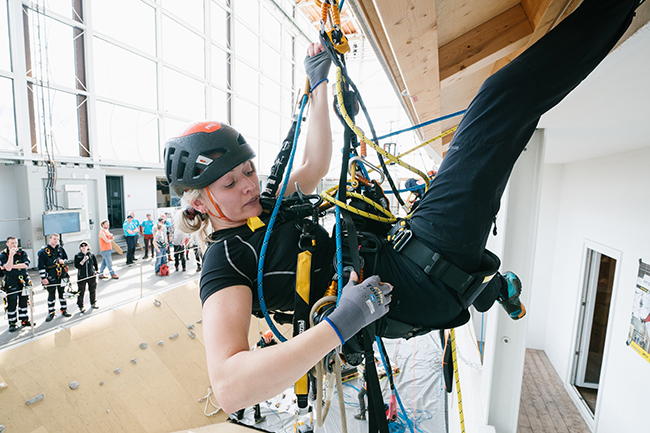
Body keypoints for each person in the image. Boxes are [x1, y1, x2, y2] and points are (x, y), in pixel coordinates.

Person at [164, 0, 641, 413]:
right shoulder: (224, 262)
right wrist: (340, 323)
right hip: (410, 284)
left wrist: (318, 85)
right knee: (501, 100)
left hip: (404, 257)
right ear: (200, 203)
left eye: (248, 170)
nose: (248, 184)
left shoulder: (265, 207)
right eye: (231, 183)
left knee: (508, 115)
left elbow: (313, 163)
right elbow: (228, 386)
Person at [0, 237, 34, 331]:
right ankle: (12, 323)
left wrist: (10, 266)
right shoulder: (3, 254)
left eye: (15, 243)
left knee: (24, 301)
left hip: (23, 280)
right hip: (10, 282)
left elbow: (25, 265)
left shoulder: (22, 253)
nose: (14, 245)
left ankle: (24, 320)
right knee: (12, 302)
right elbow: (8, 269)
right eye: (12, 243)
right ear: (7, 244)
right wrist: (10, 256)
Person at [38, 233, 72, 321]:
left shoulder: (61, 249)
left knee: (62, 293)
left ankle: (64, 309)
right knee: (51, 295)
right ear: (50, 239)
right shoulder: (43, 252)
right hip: (50, 276)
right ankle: (51, 312)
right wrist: (43, 278)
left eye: (57, 239)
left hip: (61, 276)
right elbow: (41, 266)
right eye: (54, 239)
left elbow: (66, 259)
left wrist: (63, 261)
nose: (56, 240)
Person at [74, 240, 99, 313]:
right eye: (82, 246)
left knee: (92, 290)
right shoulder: (77, 256)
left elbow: (95, 263)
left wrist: (96, 270)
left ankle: (93, 303)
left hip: (91, 275)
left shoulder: (91, 254)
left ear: (88, 247)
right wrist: (83, 260)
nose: (84, 247)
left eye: (85, 245)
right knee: (81, 292)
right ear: (80, 248)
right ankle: (81, 306)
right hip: (82, 276)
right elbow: (77, 266)